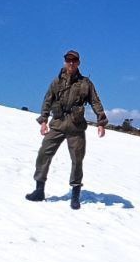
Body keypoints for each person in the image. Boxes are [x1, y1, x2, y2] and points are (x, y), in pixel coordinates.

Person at [25, 50, 107, 209]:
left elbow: (95, 102)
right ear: (64, 62)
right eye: (68, 60)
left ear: (78, 63)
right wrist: (44, 121)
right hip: (57, 123)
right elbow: (47, 101)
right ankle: (39, 190)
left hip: (76, 126)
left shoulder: (86, 83)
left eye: (74, 60)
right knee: (44, 154)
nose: (71, 63)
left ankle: (75, 195)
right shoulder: (56, 82)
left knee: (77, 159)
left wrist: (101, 122)